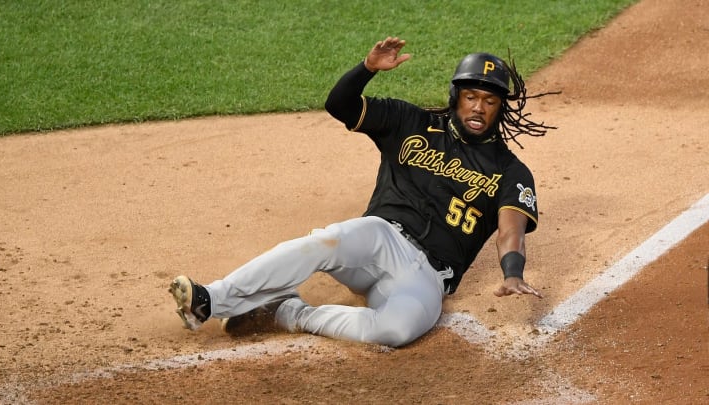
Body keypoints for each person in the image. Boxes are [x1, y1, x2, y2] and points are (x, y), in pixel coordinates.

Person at [169, 36, 554, 348]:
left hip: (428, 277)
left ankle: (287, 312)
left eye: (489, 100)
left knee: (397, 330)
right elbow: (339, 104)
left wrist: (512, 272)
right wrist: (367, 69)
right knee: (326, 242)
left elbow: (510, 232)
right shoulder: (411, 122)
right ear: (457, 97)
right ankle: (210, 300)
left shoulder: (510, 171)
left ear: (500, 108)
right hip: (380, 237)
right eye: (471, 96)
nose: (478, 107)